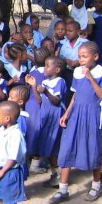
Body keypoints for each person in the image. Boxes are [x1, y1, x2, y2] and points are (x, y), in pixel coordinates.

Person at [50, 41, 102, 204]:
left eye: (85, 56)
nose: (81, 60)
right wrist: (67, 113)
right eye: (79, 56)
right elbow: (75, 96)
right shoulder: (77, 72)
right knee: (67, 147)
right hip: (76, 113)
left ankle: (95, 186)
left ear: (96, 57)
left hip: (92, 114)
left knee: (93, 148)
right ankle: (63, 189)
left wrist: (91, 78)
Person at [36, 56, 66, 188]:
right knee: (47, 145)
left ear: (57, 69)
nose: (45, 67)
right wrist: (34, 87)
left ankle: (58, 175)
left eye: (48, 65)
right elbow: (40, 100)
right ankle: (55, 174)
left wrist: (46, 91)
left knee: (54, 145)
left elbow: (57, 101)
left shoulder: (60, 81)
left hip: (55, 116)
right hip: (45, 115)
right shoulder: (45, 81)